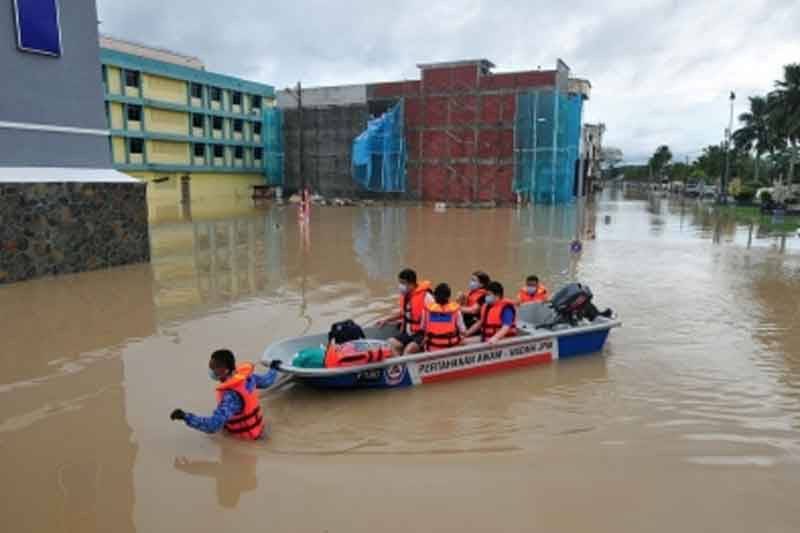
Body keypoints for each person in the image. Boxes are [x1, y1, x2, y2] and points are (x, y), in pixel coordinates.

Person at [170, 349, 280, 440]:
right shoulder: (247, 378)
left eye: (213, 368)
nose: (211, 371)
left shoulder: (231, 396)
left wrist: (185, 416)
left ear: (225, 370)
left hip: (245, 442)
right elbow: (266, 382)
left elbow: (212, 426)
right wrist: (273, 369)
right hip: (260, 431)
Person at [375, 268, 432, 355]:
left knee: (408, 351)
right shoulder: (405, 296)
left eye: (403, 283)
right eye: (400, 282)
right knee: (390, 343)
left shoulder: (426, 297)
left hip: (421, 334)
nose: (400, 286)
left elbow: (434, 318)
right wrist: (386, 320)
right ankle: (399, 367)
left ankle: (403, 367)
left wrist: (428, 337)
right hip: (408, 333)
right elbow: (403, 313)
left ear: (411, 283)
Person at [423, 283, 466, 351]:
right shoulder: (455, 311)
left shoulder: (427, 310)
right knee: (464, 340)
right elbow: (463, 331)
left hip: (432, 347)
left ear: (434, 296)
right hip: (450, 348)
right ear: (448, 297)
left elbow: (423, 328)